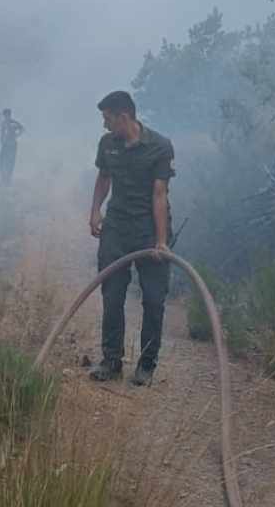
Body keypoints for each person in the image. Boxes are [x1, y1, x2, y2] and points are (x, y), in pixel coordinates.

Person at [87, 90, 175, 387]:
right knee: (112, 296)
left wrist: (160, 241)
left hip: (150, 230)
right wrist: (95, 211)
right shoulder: (107, 144)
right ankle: (111, 361)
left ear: (123, 116)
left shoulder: (159, 146)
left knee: (153, 300)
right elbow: (104, 177)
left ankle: (146, 366)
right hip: (116, 229)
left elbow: (159, 194)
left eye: (107, 119)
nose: (104, 124)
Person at [0, 108, 24, 185]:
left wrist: (17, 135)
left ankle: (8, 177)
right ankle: (3, 177)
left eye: (7, 115)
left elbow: (22, 129)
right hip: (4, 145)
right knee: (1, 161)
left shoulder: (13, 123)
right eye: (5, 115)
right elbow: (1, 132)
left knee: (11, 161)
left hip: (12, 145)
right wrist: (1, 140)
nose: (6, 116)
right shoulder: (3, 123)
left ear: (9, 115)